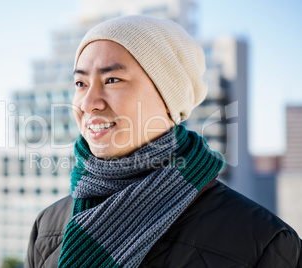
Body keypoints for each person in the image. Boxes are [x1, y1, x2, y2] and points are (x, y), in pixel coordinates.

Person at [25, 15, 302, 268]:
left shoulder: (263, 241)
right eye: (80, 84)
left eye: (112, 79)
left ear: (169, 98)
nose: (88, 103)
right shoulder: (48, 226)